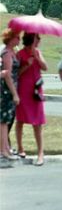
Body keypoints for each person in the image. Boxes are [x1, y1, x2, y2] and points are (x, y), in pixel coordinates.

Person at [15, 33, 48, 166]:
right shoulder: (20, 54)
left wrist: (37, 59)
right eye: (37, 38)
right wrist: (27, 65)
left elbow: (45, 67)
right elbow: (15, 73)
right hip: (23, 90)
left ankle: (40, 153)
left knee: (38, 122)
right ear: (32, 40)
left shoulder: (38, 52)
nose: (39, 40)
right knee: (20, 120)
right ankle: (20, 148)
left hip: (36, 90)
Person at [0, 29, 20, 160]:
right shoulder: (7, 53)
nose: (19, 40)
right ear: (11, 39)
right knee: (3, 121)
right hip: (6, 90)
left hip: (10, 89)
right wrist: (15, 94)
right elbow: (7, 75)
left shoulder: (13, 52)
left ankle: (6, 148)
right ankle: (3, 150)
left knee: (6, 121)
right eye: (17, 37)